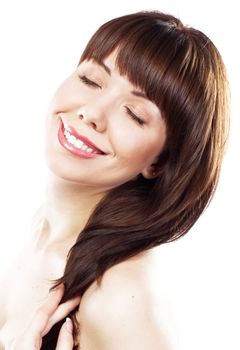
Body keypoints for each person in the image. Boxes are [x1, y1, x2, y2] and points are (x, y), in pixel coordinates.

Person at [0, 9, 229, 350]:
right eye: (90, 80)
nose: (91, 113)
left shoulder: (121, 296)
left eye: (135, 115)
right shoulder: (36, 229)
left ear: (160, 162)